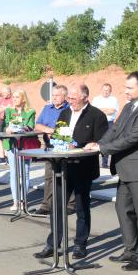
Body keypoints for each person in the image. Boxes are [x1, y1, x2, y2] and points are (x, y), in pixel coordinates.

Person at [86, 71, 138, 271]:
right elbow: (115, 130)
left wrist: (102, 149)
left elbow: (131, 138)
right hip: (126, 169)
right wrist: (98, 143)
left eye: (130, 87)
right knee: (123, 208)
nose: (125, 91)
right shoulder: (129, 107)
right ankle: (130, 248)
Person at [34, 84, 108, 259]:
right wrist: (56, 140)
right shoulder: (65, 113)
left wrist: (85, 146)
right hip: (62, 166)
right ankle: (52, 244)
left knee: (82, 208)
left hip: (83, 167)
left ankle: (80, 245)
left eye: (73, 98)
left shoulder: (97, 115)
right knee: (56, 206)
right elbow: (60, 134)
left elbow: (102, 141)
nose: (70, 101)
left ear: (85, 97)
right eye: (69, 99)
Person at [34, 85, 69, 214]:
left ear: (64, 96)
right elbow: (37, 125)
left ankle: (69, 204)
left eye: (57, 95)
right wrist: (47, 129)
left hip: (65, 146)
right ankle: (46, 206)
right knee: (49, 176)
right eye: (53, 95)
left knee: (67, 175)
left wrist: (55, 132)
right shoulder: (47, 108)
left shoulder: (70, 109)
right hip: (49, 147)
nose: (54, 97)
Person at [1, 89, 37, 212]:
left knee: (25, 173)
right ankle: (15, 202)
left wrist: (21, 128)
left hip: (25, 145)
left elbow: (30, 125)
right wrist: (8, 128)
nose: (14, 99)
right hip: (12, 145)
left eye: (17, 97)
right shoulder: (9, 110)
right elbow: (5, 125)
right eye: (14, 97)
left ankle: (23, 201)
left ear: (23, 99)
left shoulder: (30, 111)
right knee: (14, 173)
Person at [91, 83, 119, 168]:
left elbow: (112, 111)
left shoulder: (114, 99)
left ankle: (105, 163)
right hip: (97, 123)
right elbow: (94, 111)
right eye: (104, 90)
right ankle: (94, 164)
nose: (105, 92)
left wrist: (101, 110)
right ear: (101, 90)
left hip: (109, 123)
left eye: (107, 90)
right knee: (96, 141)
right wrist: (106, 110)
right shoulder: (96, 99)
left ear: (110, 91)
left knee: (108, 142)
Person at [0, 85, 13, 164]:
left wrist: (4, 108)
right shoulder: (0, 100)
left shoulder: (12, 99)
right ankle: (2, 157)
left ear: (9, 92)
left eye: (5, 92)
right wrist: (5, 108)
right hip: (0, 120)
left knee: (7, 139)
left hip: (8, 121)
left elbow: (12, 108)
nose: (3, 94)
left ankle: (8, 157)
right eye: (2, 92)